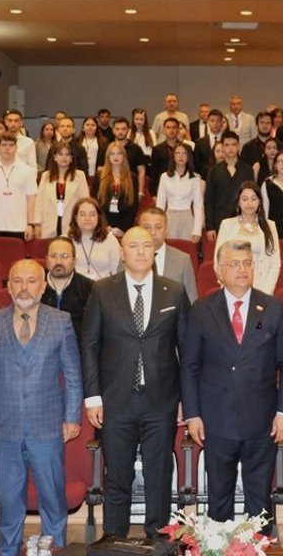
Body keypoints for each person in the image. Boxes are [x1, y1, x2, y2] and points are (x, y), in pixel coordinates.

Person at [181, 239, 283, 535]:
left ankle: (257, 547)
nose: (242, 269)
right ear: (219, 270)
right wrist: (192, 414)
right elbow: (189, 366)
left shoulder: (272, 308)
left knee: (259, 500)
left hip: (262, 420)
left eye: (246, 263)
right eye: (234, 264)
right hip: (216, 419)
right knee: (219, 498)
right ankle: (218, 549)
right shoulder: (202, 309)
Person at [80, 227, 190, 539]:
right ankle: (114, 538)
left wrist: (187, 400)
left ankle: (158, 539)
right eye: (133, 246)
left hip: (162, 401)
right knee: (117, 475)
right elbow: (89, 345)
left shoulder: (174, 291)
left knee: (159, 475)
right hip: (115, 400)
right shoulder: (102, 290)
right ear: (122, 252)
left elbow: (187, 350)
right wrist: (93, 397)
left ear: (155, 251)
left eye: (146, 245)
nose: (141, 251)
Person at [0, 259, 83, 554]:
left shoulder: (61, 322)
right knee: (10, 499)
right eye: (17, 281)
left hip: (48, 425)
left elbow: (73, 376)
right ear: (9, 287)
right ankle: (8, 550)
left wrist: (72, 417)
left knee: (52, 496)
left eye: (31, 281)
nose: (24, 288)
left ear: (43, 286)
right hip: (5, 427)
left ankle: (54, 550)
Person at [216, 182, 282, 294]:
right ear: (238, 202)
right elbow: (218, 261)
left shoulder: (270, 226)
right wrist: (230, 287)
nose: (249, 203)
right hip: (233, 287)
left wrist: (266, 293)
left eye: (254, 199)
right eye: (245, 199)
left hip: (262, 287)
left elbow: (275, 263)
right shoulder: (227, 225)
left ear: (260, 202)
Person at [0, 134, 39, 241]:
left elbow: (31, 199)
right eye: (4, 145)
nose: (7, 148)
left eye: (11, 145)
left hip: (19, 227)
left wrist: (30, 224)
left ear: (16, 148)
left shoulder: (27, 170)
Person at [139, 207, 198, 303]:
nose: (152, 232)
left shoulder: (182, 260)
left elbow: (191, 299)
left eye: (158, 227)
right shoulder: (128, 259)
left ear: (166, 230)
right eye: (147, 227)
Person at [34, 140, 91, 239]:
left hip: (71, 224)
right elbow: (39, 202)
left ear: (71, 158)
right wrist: (37, 224)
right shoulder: (46, 176)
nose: (64, 157)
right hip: (48, 224)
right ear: (55, 157)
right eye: (60, 154)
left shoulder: (80, 175)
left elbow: (85, 203)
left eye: (67, 154)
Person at [43, 236, 95, 338]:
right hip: (43, 344)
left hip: (77, 344)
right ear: (46, 259)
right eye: (53, 256)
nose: (58, 262)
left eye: (65, 256)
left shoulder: (89, 288)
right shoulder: (35, 285)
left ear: (74, 261)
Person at [203, 131, 251, 239]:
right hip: (220, 222)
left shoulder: (248, 170)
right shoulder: (213, 171)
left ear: (238, 146)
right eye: (227, 145)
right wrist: (210, 227)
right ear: (223, 147)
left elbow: (253, 198)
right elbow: (209, 201)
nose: (230, 148)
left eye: (234, 145)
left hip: (243, 221)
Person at [155, 141, 204, 241]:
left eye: (184, 153)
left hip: (187, 217)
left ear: (188, 157)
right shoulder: (165, 177)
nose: (180, 156)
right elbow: (160, 204)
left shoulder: (195, 178)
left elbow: (198, 205)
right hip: (169, 217)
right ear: (173, 157)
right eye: (177, 153)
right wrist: (158, 226)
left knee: (186, 248)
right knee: (169, 247)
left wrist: (197, 230)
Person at [69, 198, 123, 280]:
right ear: (75, 217)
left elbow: (117, 273)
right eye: (83, 214)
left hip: (103, 286)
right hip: (75, 286)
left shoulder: (110, 240)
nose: (87, 218)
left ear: (98, 217)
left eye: (92, 214)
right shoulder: (65, 241)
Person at [95, 142, 140, 234]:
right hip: (103, 223)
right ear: (108, 157)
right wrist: (104, 225)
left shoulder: (132, 177)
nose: (116, 157)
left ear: (124, 156)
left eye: (119, 153)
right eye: (112, 154)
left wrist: (121, 228)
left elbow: (133, 206)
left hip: (124, 225)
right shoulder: (99, 176)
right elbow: (95, 203)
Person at [149, 117, 192, 195]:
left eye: (174, 127)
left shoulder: (187, 148)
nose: (171, 130)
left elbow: (191, 168)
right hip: (163, 188)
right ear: (163, 130)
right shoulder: (157, 149)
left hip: (183, 187)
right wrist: (153, 194)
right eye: (168, 127)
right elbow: (153, 173)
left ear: (178, 130)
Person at [109, 117, 149, 200]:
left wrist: (140, 191)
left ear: (128, 130)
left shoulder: (136, 149)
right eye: (117, 129)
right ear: (113, 130)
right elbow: (102, 169)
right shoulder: (107, 148)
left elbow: (141, 171)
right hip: (110, 188)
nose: (120, 132)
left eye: (123, 129)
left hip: (131, 187)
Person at [192, 109, 228, 176]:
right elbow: (196, 164)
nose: (215, 123)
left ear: (222, 122)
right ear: (208, 122)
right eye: (212, 120)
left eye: (218, 120)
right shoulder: (199, 142)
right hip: (204, 177)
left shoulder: (228, 141)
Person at [77, 115, 108, 180]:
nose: (90, 127)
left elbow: (107, 158)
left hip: (98, 175)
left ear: (97, 128)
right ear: (83, 127)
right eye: (87, 125)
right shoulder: (76, 141)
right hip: (80, 175)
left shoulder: (104, 142)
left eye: (93, 125)